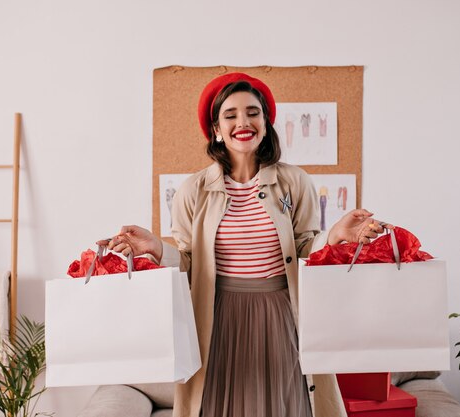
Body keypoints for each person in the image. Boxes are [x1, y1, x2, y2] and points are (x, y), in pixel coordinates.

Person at [102, 73, 389, 417]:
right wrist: (157, 247)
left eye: (253, 112)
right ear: (216, 130)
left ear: (266, 123)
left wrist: (336, 235)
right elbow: (191, 265)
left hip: (281, 317)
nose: (243, 122)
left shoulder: (295, 182)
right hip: (217, 319)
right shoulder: (193, 190)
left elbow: (306, 249)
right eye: (231, 115)